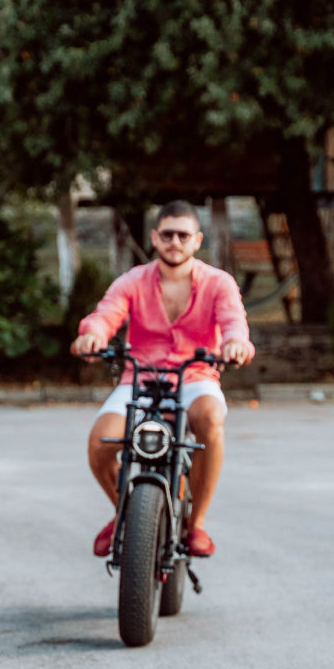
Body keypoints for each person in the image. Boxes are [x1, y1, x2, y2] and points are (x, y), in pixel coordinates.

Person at [70, 199, 253, 559]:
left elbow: (234, 323)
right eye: (167, 234)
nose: (174, 241)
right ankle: (126, 512)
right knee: (99, 443)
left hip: (196, 376)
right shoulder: (133, 280)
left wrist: (236, 344)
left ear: (197, 240)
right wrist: (92, 335)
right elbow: (105, 315)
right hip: (140, 379)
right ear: (155, 237)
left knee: (210, 421)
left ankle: (196, 524)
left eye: (183, 235)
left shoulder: (219, 283)